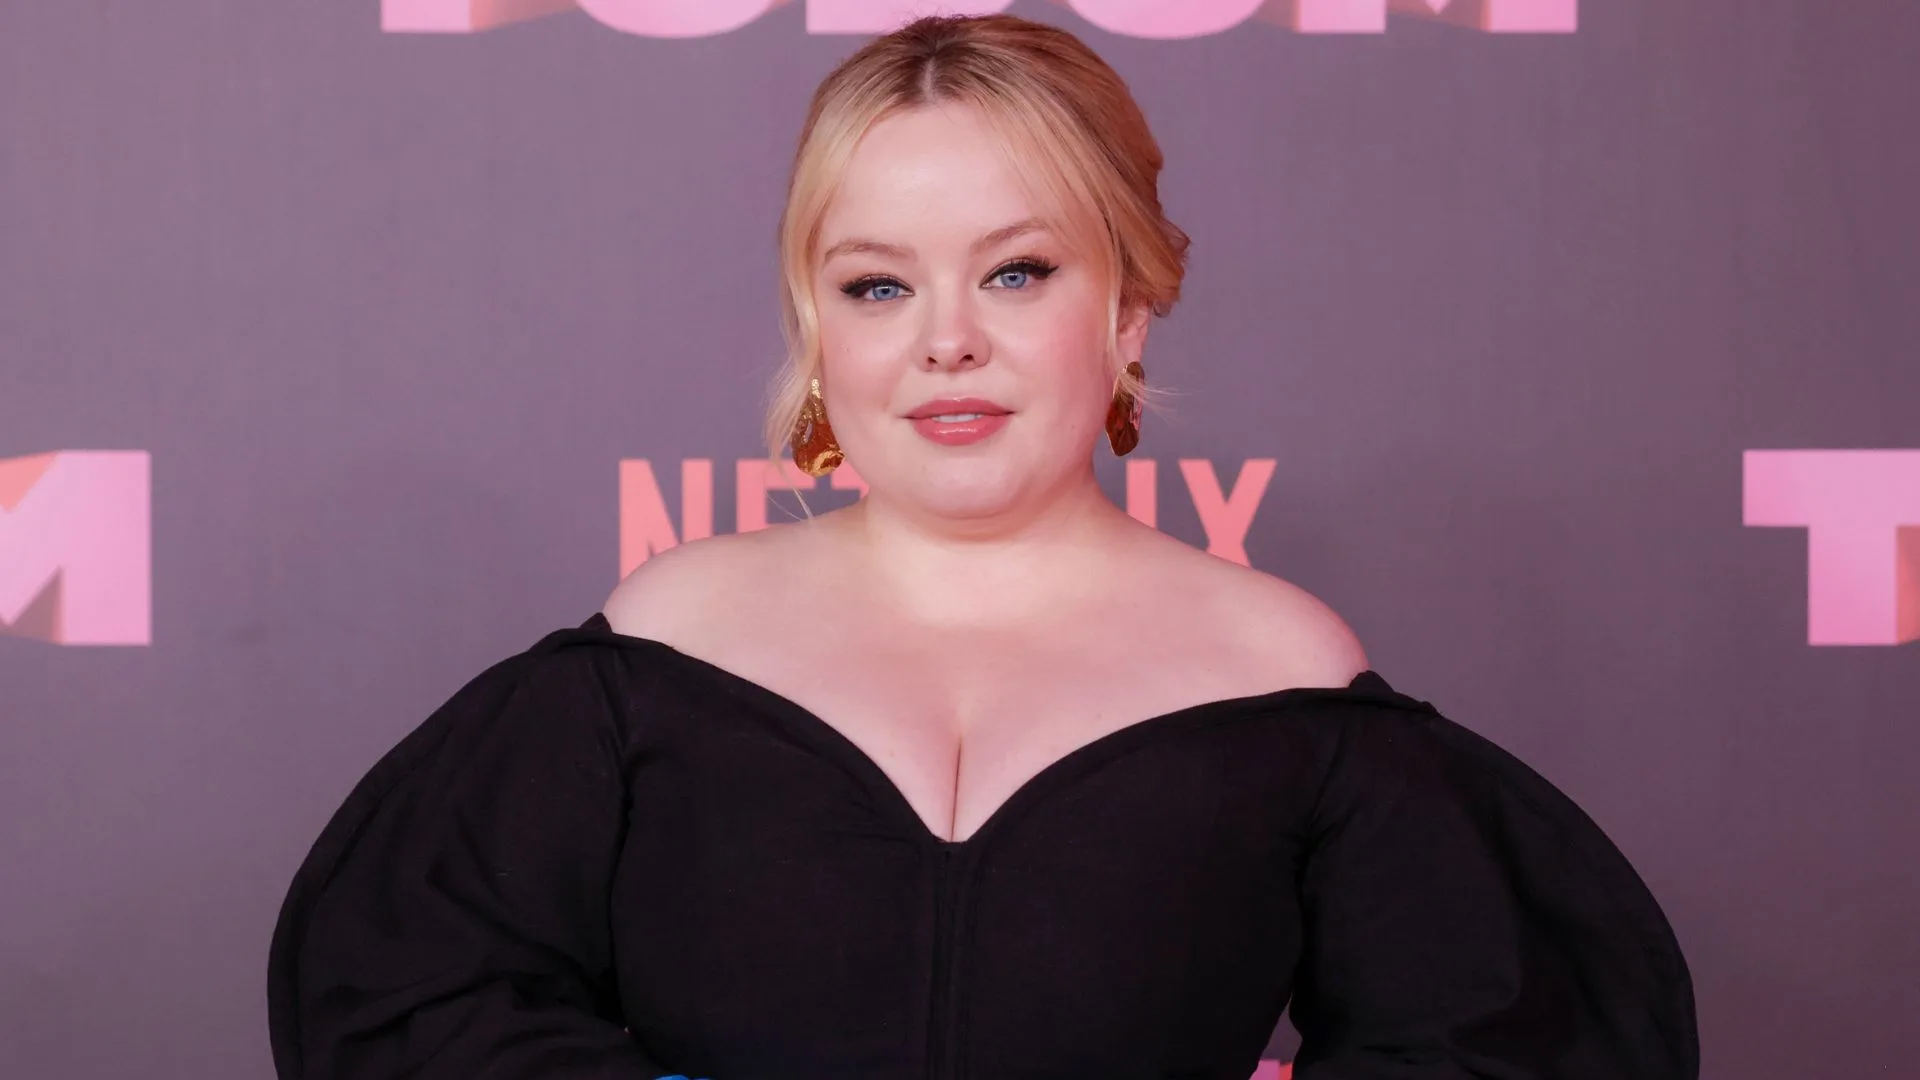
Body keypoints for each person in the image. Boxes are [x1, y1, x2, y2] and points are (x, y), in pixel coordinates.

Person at [267, 14, 1698, 1080]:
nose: (947, 337)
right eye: (878, 283)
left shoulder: (1286, 679)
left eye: (1018, 271)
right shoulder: (653, 654)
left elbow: (1510, 1046)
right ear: (819, 332)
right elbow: (407, 1005)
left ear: (1129, 312)